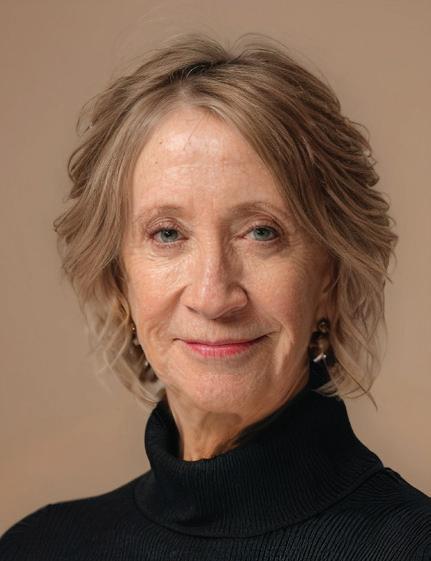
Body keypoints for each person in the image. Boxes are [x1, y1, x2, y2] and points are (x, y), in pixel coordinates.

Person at [1, 31, 430, 560]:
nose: (213, 295)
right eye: (167, 234)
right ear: (118, 280)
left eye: (262, 232)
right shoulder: (38, 548)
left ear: (330, 277)